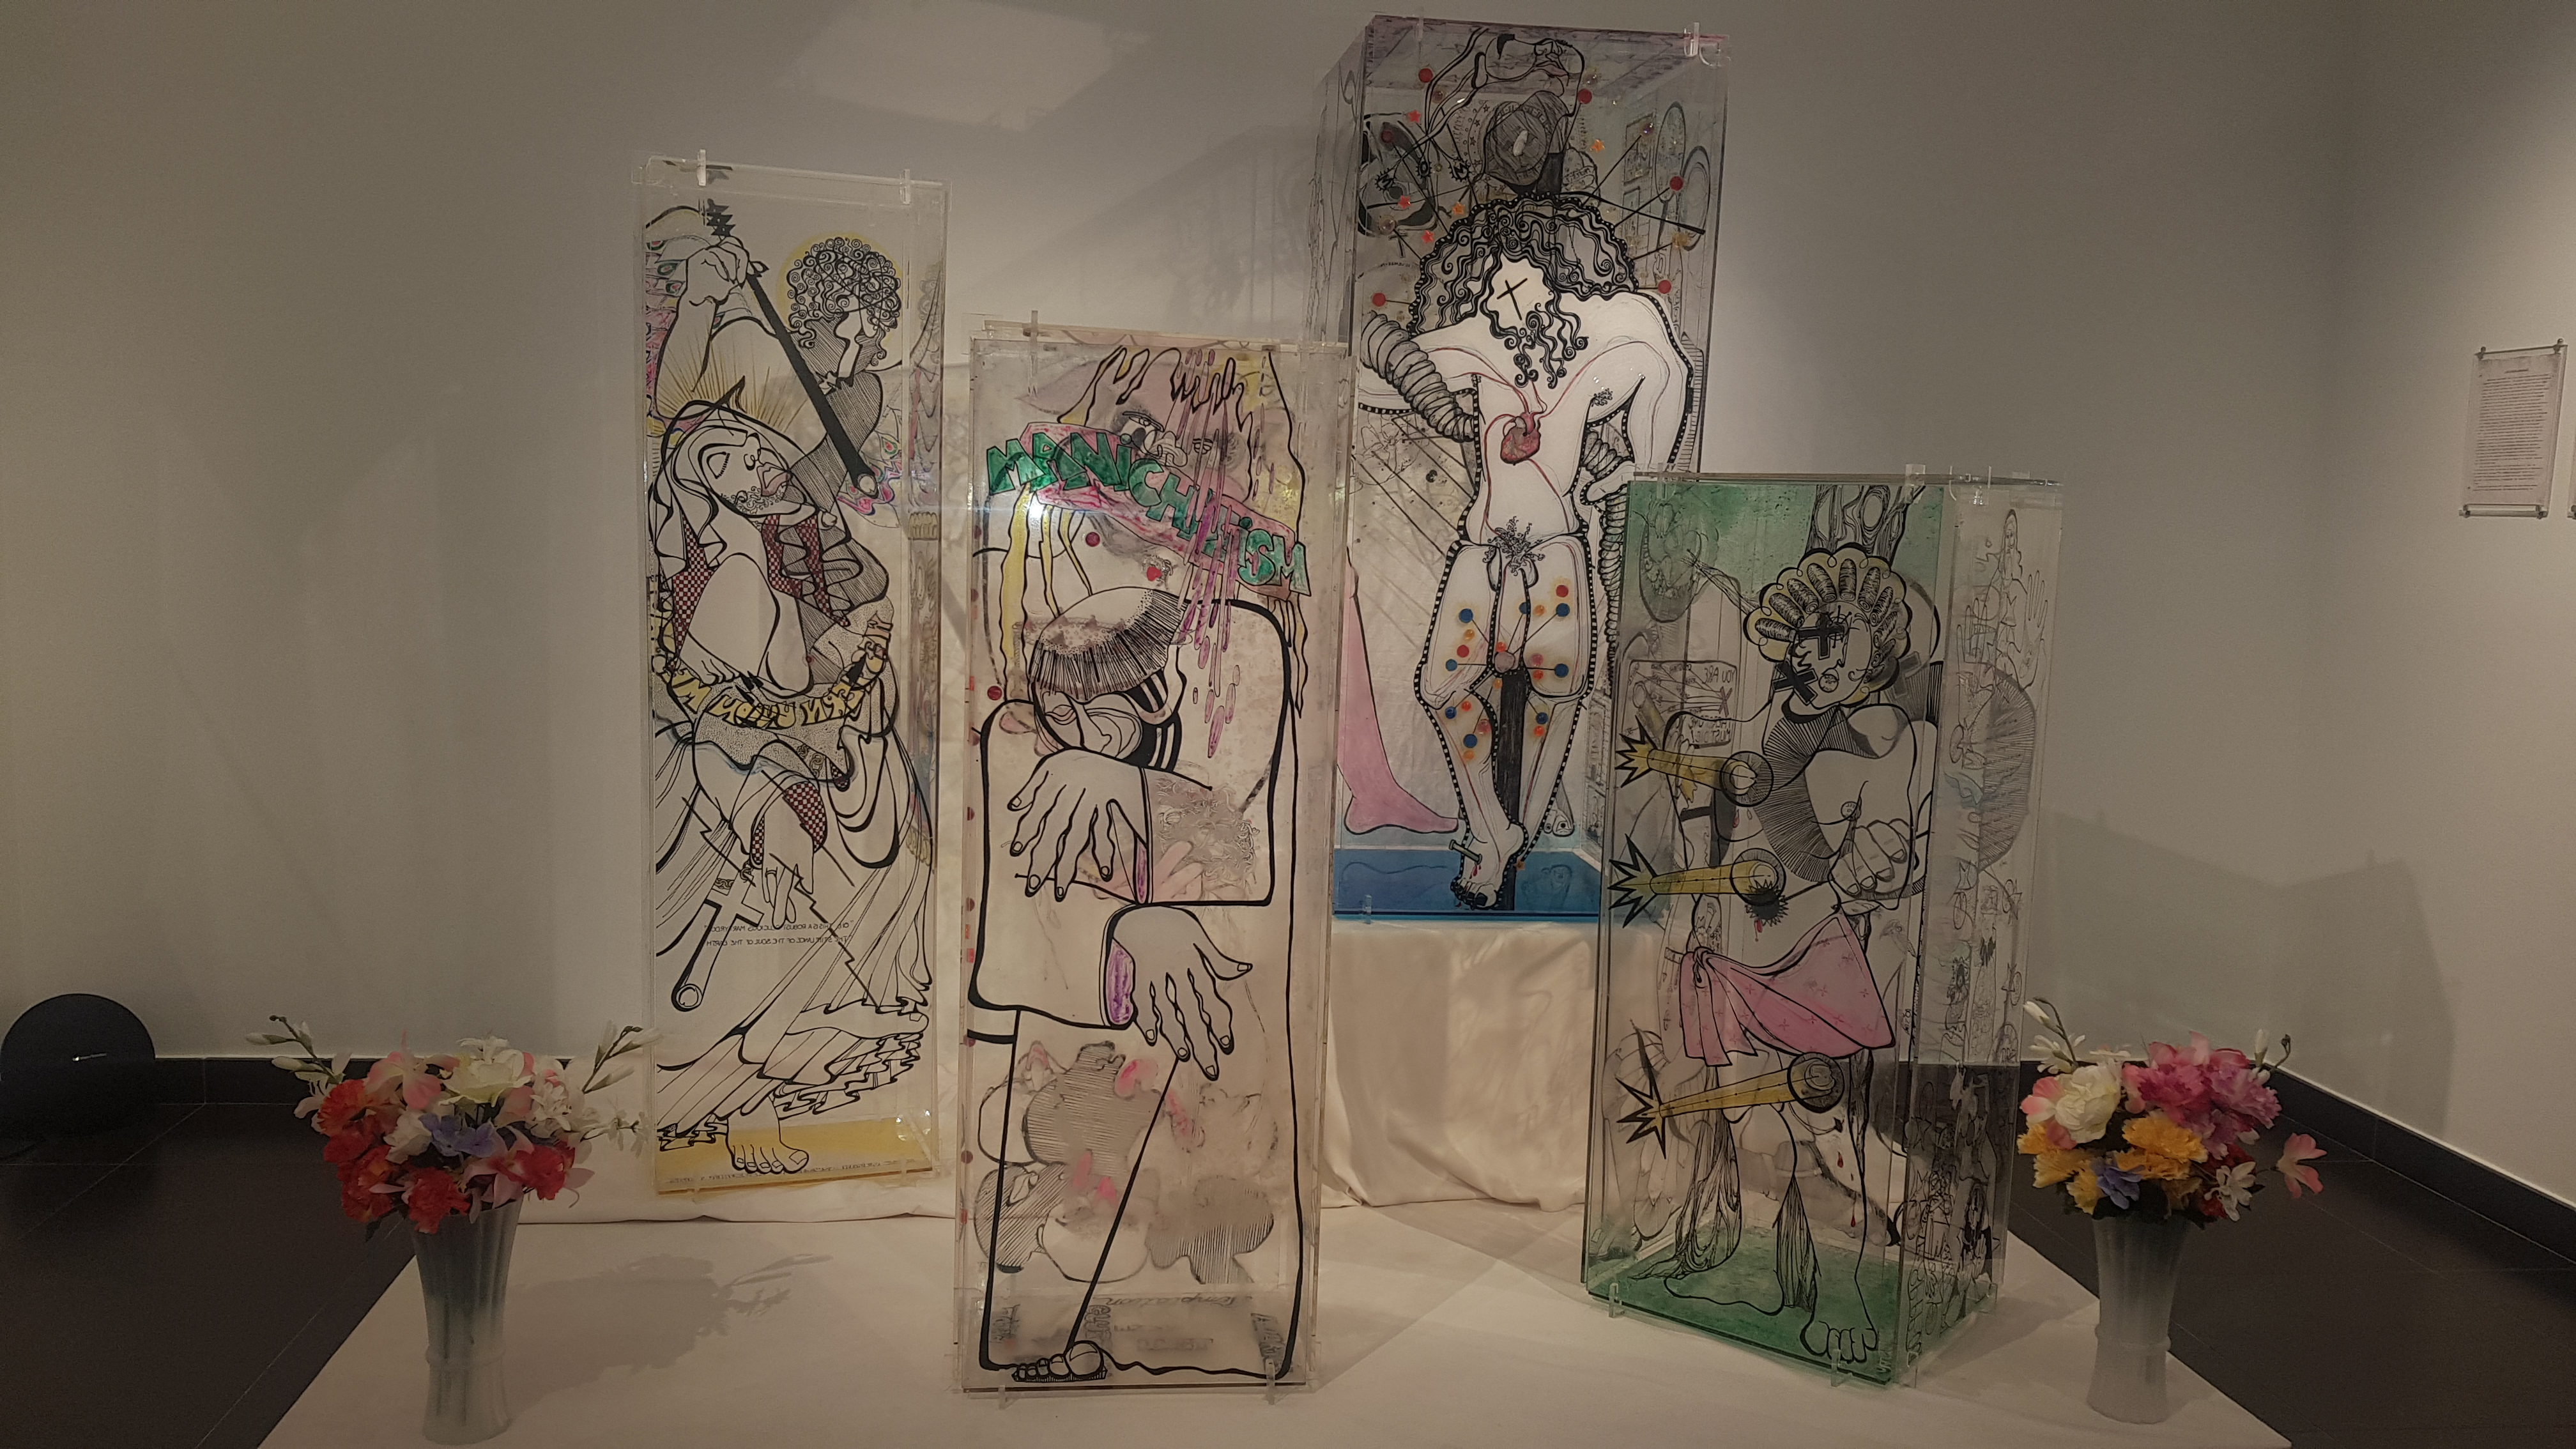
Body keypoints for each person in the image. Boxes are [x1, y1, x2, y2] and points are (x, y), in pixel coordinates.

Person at [1354, 195, 1690, 907]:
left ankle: (1505, 849)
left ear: (1556, 268)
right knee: (1442, 689)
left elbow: (1666, 369)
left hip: (1557, 555)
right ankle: (1494, 829)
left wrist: (1645, 470)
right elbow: (1369, 368)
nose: (1495, 290)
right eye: (1486, 277)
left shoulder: (1607, 339)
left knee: (1555, 703)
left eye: (1509, 271)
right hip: (1483, 553)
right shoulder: (1478, 342)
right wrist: (1403, 365)